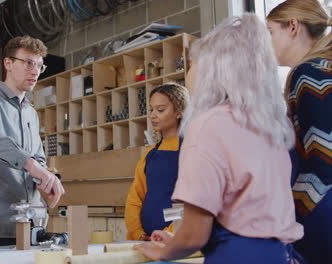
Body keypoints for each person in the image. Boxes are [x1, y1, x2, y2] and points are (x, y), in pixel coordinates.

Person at [134, 14, 304, 263]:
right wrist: (178, 242)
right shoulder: (271, 124)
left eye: (192, 64)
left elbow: (194, 235)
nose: (190, 72)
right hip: (281, 254)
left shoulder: (208, 125)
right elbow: (246, 213)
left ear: (212, 71)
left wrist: (165, 251)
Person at [0, 36, 65, 248]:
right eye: (28, 63)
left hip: (32, 227)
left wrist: (46, 179)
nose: (35, 71)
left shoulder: (31, 112)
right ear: (8, 63)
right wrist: (32, 165)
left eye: (40, 65)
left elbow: (38, 158)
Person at [267, 1, 332, 263]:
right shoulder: (321, 69)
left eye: (270, 32)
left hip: (322, 212)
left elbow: (325, 156)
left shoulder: (307, 73)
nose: (266, 42)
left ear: (292, 26)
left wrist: (290, 213)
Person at [125, 83, 189, 241]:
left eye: (160, 110)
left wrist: (168, 234)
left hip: (176, 239)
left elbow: (191, 204)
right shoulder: (149, 154)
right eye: (151, 110)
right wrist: (137, 233)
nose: (153, 115)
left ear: (179, 112)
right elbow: (135, 198)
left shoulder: (191, 151)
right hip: (145, 238)